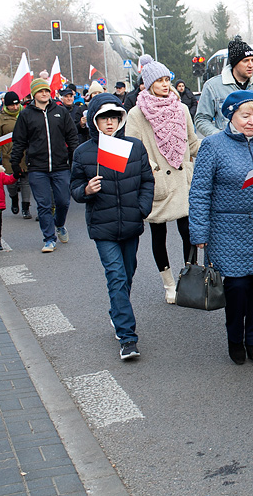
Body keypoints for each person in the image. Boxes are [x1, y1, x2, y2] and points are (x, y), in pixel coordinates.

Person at [189, 91, 253, 366]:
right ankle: (235, 339)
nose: (252, 121)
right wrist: (199, 234)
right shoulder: (213, 146)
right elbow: (199, 192)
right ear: (230, 115)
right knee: (237, 289)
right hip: (227, 231)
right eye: (246, 116)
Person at [70, 95, 154, 360]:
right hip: (103, 228)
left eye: (114, 117)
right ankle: (128, 338)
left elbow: (147, 181)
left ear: (121, 118)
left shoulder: (134, 146)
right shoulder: (83, 153)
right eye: (104, 117)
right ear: (94, 120)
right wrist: (86, 189)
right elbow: (74, 189)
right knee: (116, 276)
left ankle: (117, 312)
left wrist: (142, 209)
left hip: (130, 224)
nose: (109, 122)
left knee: (127, 275)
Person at [126, 56, 201, 304]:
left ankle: (187, 279)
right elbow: (133, 147)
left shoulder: (181, 108)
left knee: (188, 233)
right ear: (148, 84)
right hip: (157, 181)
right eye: (159, 80)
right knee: (158, 235)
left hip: (182, 179)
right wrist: (150, 168)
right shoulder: (137, 113)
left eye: (167, 79)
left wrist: (210, 151)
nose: (165, 84)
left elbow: (192, 142)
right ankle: (168, 283)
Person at [10, 78, 79, 253]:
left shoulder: (60, 111)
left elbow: (72, 136)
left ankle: (60, 224)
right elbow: (18, 141)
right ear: (34, 94)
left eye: (47, 91)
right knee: (43, 205)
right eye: (41, 91)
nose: (44, 94)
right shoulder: (26, 114)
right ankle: (49, 239)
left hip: (60, 166)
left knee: (63, 201)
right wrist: (15, 163)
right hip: (37, 168)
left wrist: (76, 158)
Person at [196, 36, 253, 138]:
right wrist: (219, 137)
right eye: (245, 61)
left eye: (252, 60)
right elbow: (201, 119)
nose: (251, 65)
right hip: (227, 149)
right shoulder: (213, 86)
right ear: (234, 63)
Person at [0, 92, 31, 219]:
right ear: (6, 106)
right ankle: (14, 198)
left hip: (25, 154)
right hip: (9, 155)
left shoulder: (25, 114)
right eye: (11, 105)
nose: (15, 107)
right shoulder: (0, 118)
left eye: (16, 104)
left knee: (26, 181)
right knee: (12, 183)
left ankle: (26, 207)